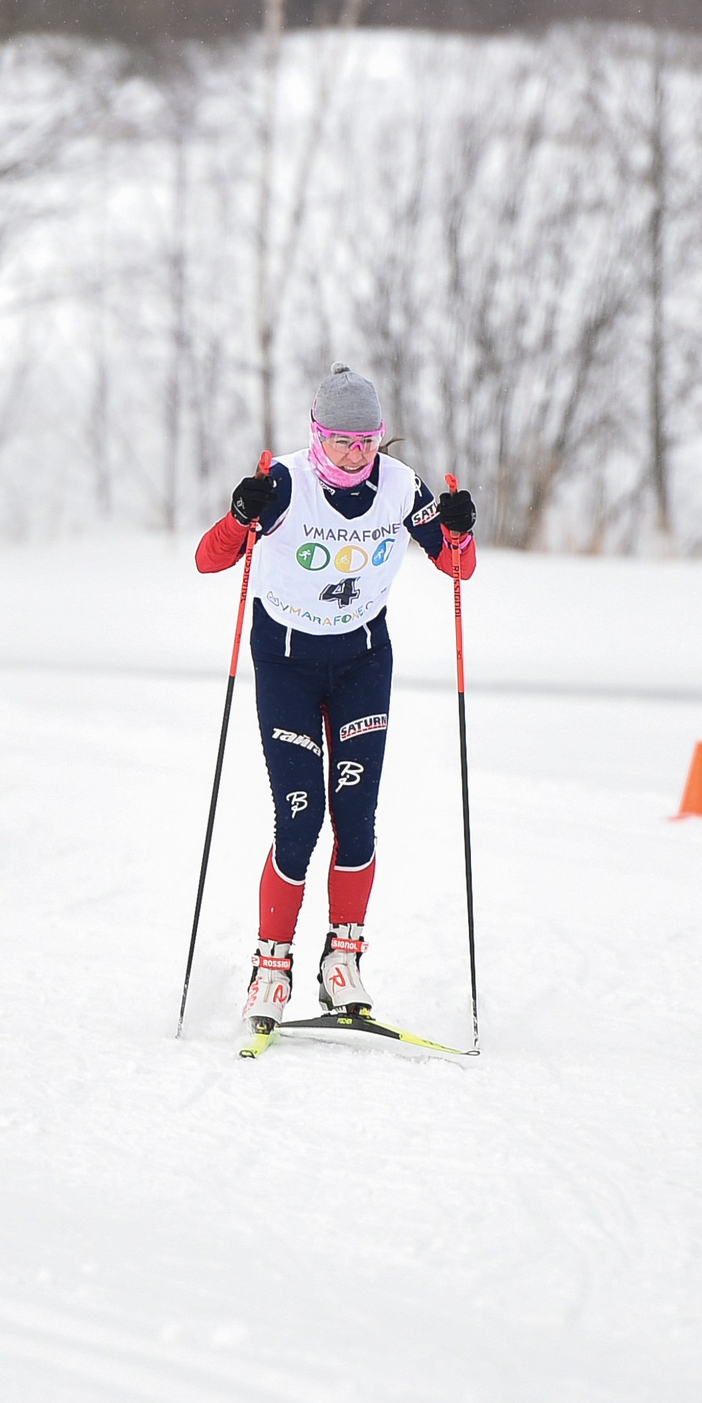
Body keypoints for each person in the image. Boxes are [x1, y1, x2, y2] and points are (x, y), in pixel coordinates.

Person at [193, 363, 477, 1035]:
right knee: (300, 817)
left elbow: (457, 566)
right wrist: (241, 516)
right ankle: (272, 967)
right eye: (340, 441)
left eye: (366, 441)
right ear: (316, 435)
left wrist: (459, 530)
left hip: (362, 661)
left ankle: (342, 960)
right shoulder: (285, 484)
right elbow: (209, 559)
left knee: (356, 818)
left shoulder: (401, 487)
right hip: (286, 662)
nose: (354, 454)